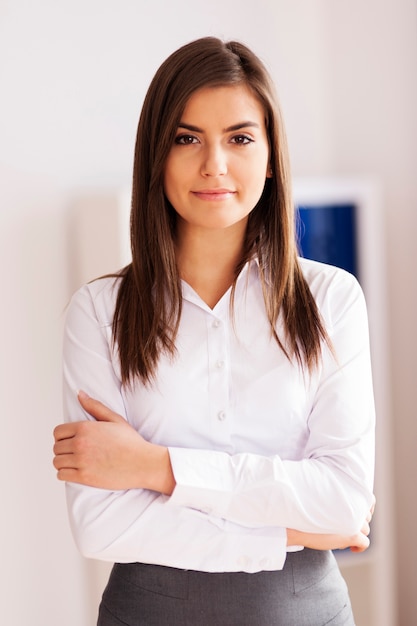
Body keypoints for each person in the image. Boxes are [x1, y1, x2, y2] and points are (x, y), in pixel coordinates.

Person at [53, 37, 375, 626]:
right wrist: (290, 529)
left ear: (272, 155)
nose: (214, 164)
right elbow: (101, 526)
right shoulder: (99, 312)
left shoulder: (331, 301)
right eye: (186, 138)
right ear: (157, 154)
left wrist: (155, 468)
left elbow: (344, 500)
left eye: (240, 138)